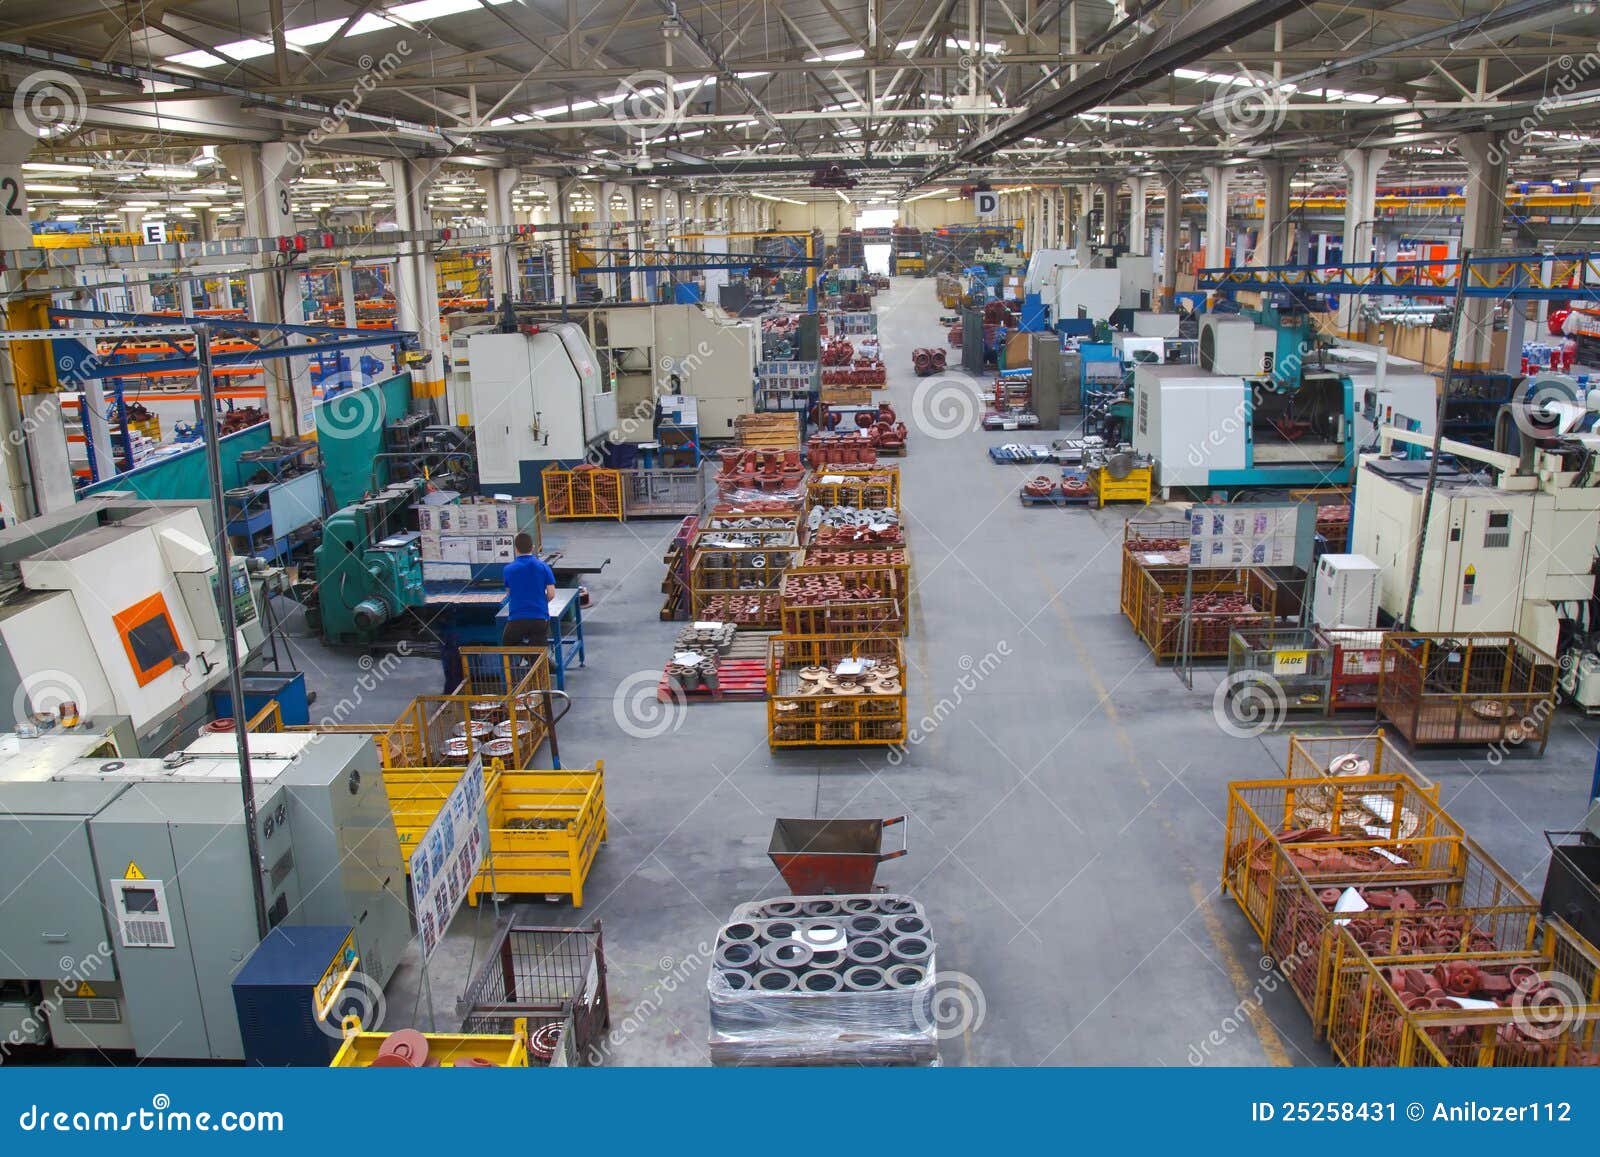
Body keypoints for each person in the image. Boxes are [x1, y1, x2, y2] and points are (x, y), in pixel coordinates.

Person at [501, 532, 557, 648]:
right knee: (539, 652)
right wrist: (540, 602)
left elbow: (509, 593)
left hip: (517, 618)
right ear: (533, 547)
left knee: (508, 643)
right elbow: (551, 594)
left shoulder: (508, 569)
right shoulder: (543, 567)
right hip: (540, 618)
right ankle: (545, 663)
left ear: (515, 548)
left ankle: (532, 656)